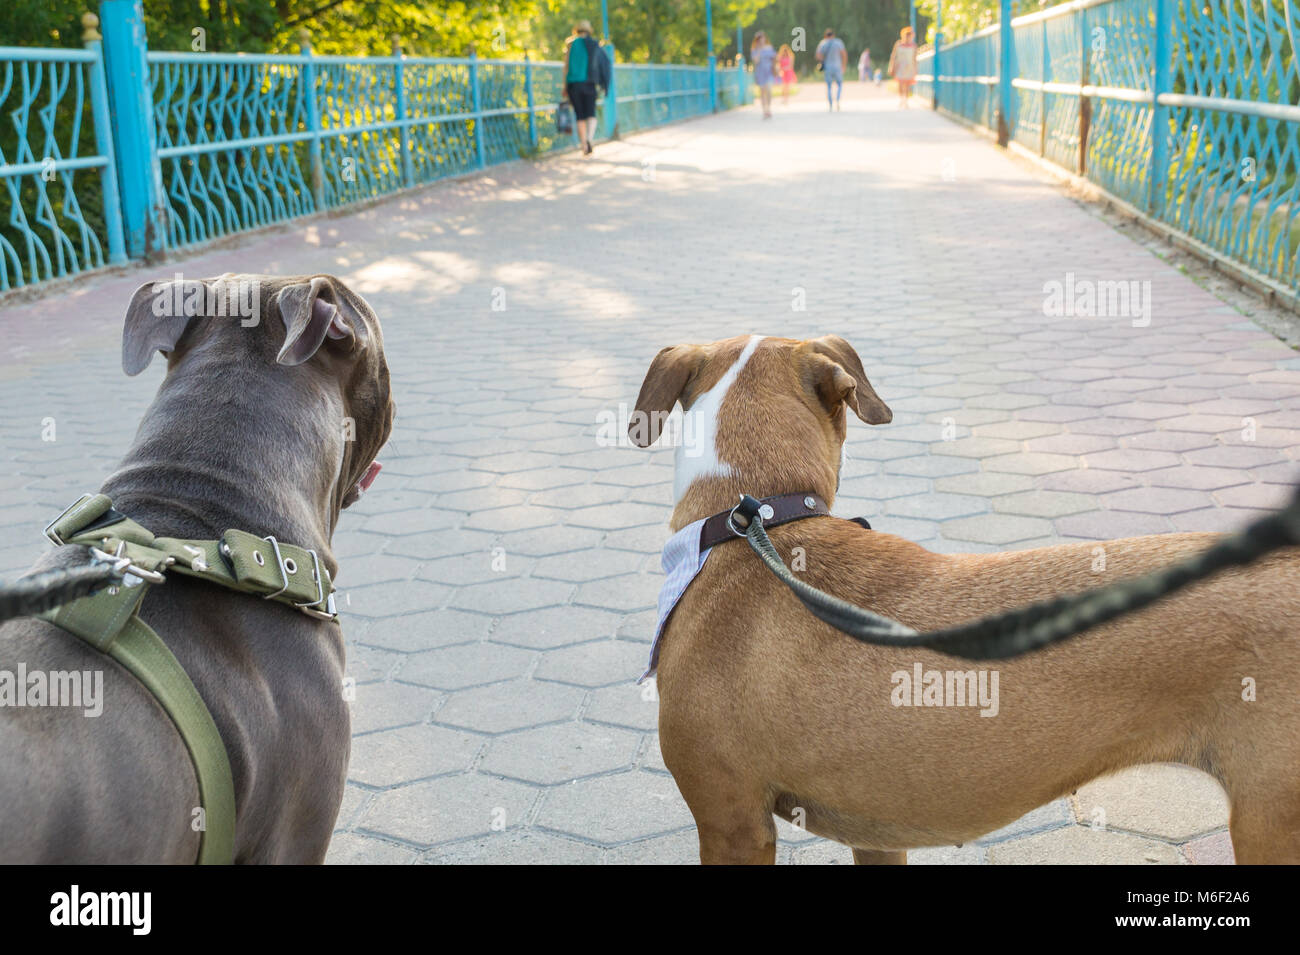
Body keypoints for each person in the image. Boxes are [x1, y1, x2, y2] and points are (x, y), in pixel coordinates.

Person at [562, 20, 610, 154]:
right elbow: (603, 65)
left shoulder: (570, 44)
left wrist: (564, 86)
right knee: (591, 113)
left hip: (573, 85)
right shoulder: (595, 45)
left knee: (580, 116)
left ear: (577, 30)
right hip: (589, 84)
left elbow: (566, 67)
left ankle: (584, 145)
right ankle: (590, 138)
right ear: (589, 31)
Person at [815, 28, 847, 111]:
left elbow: (818, 55)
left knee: (829, 86)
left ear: (825, 36)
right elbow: (844, 54)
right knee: (839, 84)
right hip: (837, 66)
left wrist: (823, 61)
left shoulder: (823, 43)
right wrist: (843, 65)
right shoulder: (838, 42)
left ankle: (830, 104)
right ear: (833, 35)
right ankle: (838, 99)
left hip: (828, 67)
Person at [888, 26, 918, 109]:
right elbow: (894, 56)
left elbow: (915, 58)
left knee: (907, 84)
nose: (909, 37)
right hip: (900, 67)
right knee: (900, 84)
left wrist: (916, 68)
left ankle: (906, 101)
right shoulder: (898, 44)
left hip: (909, 67)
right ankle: (901, 99)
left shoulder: (913, 46)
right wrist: (891, 66)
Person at [751, 32, 778, 118]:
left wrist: (775, 67)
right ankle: (764, 110)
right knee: (762, 92)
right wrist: (759, 50)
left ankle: (768, 108)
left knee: (769, 90)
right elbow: (756, 61)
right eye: (759, 39)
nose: (761, 40)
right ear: (757, 41)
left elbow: (775, 58)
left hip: (769, 72)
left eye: (762, 38)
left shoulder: (769, 48)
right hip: (760, 73)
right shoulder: (754, 50)